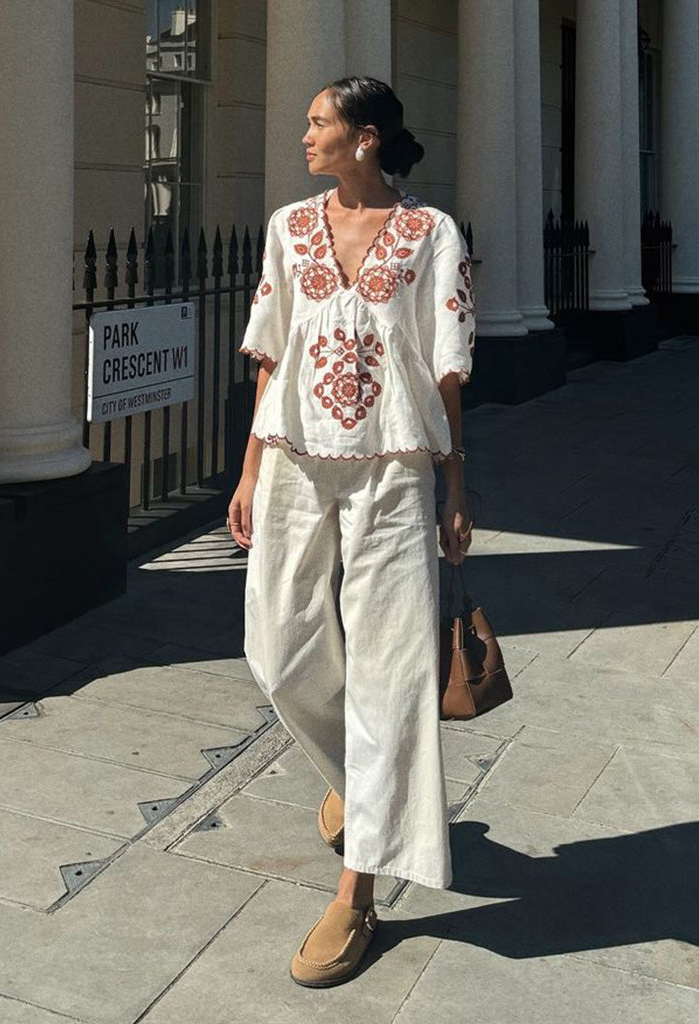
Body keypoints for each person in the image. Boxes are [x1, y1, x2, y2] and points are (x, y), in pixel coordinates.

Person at [227, 75, 475, 987]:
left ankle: (356, 888)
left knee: (389, 671)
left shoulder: (431, 234)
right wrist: (250, 469)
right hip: (295, 458)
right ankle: (358, 782)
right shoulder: (290, 228)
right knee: (279, 650)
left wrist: (457, 485)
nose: (305, 135)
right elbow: (272, 350)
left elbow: (447, 370)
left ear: (364, 138)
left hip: (397, 469)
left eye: (318, 123)